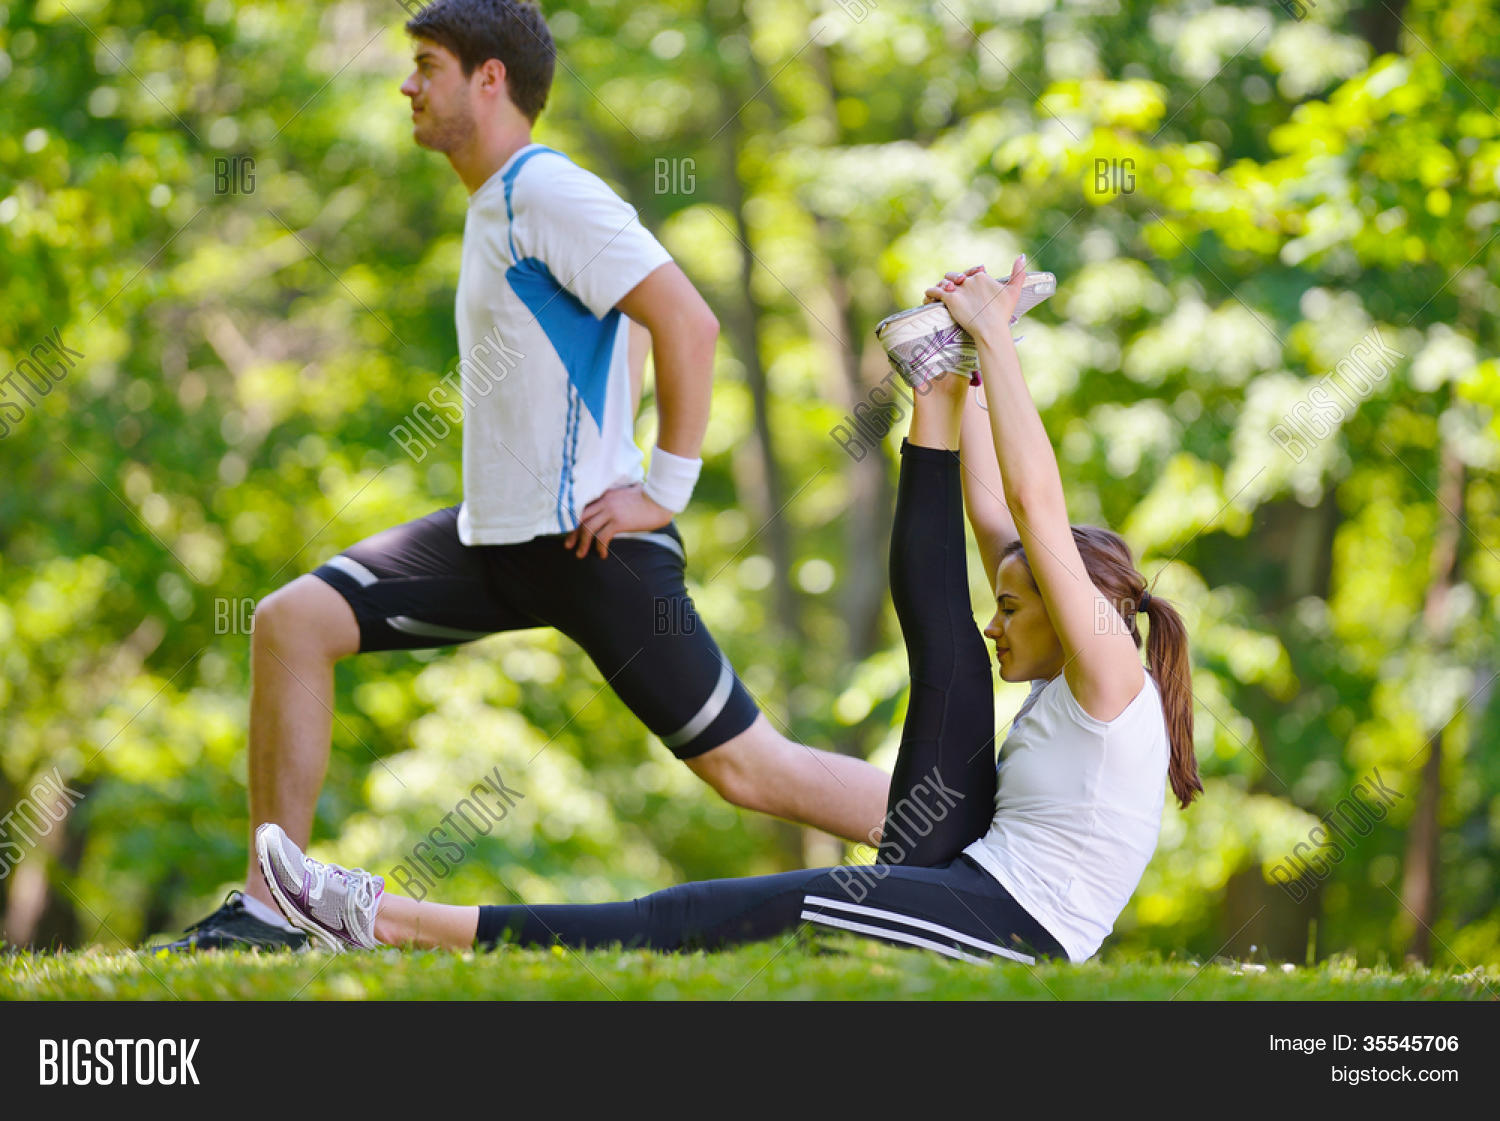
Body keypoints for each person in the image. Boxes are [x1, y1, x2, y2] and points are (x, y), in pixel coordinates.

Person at [164, 0, 889, 952]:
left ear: (490, 78)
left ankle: (978, 846)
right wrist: (610, 435)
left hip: (588, 546)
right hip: (494, 540)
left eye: (427, 64)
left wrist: (659, 490)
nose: (408, 85)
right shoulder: (496, 202)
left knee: (750, 769)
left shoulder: (546, 190)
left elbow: (688, 320)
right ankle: (272, 908)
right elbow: (625, 330)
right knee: (292, 621)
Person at [252, 256, 1204, 965]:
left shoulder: (1109, 670)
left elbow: (1034, 508)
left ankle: (381, 919)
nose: (1000, 621)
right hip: (970, 865)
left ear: (1074, 609)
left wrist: (997, 334)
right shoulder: (1077, 662)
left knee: (702, 914)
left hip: (1014, 923)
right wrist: (969, 376)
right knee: (942, 640)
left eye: (1015, 606)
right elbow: (994, 514)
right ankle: (935, 379)